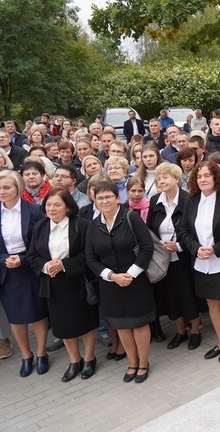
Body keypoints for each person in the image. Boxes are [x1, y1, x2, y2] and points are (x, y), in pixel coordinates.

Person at [85, 180, 154, 383]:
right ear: (95, 201)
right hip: (110, 285)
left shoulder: (131, 218)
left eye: (108, 197)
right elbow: (90, 258)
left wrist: (130, 274)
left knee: (139, 323)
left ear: (118, 198)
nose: (104, 201)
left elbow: (147, 248)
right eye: (100, 198)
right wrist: (112, 276)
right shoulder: (93, 226)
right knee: (122, 325)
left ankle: (143, 362)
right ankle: (132, 362)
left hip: (136, 281)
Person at [177, 161, 220, 363]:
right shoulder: (191, 201)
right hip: (201, 262)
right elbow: (183, 231)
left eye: (207, 175)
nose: (203, 179)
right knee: (211, 303)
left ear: (216, 177)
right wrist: (196, 248)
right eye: (199, 176)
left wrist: (216, 249)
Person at [28, 188, 98, 382]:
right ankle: (74, 360)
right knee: (63, 324)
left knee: (86, 321)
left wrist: (64, 265)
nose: (52, 208)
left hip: (77, 281)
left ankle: (89, 358)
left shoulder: (82, 225)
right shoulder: (40, 227)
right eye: (48, 204)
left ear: (68, 207)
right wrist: (46, 266)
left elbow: (89, 255)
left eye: (57, 204)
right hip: (53, 284)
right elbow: (32, 255)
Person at [146, 163, 202, 351]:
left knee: (187, 296)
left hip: (184, 258)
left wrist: (178, 246)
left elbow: (196, 231)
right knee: (170, 298)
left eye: (165, 177)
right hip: (163, 260)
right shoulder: (154, 201)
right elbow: (150, 230)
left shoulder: (189, 200)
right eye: (159, 178)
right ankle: (180, 332)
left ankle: (195, 330)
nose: (160, 181)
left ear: (176, 180)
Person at [0, 170, 48, 377]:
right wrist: (3, 259)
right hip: (7, 271)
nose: (2, 192)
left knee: (37, 312)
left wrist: (24, 259)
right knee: (16, 316)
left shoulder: (34, 210)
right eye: (0, 188)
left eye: (6, 187)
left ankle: (41, 353)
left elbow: (44, 242)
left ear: (18, 188)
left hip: (31, 268)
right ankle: (26, 356)